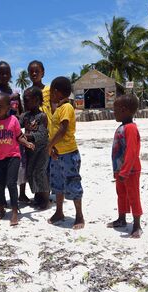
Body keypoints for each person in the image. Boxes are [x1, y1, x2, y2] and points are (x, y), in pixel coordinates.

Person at [0, 93, 35, 226]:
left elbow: (19, 136)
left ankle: (14, 211)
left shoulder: (13, 120)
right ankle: (0, 209)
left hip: (14, 156)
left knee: (11, 183)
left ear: (8, 107)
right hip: (0, 158)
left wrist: (26, 143)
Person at [47, 76, 85, 230]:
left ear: (56, 92)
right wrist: (53, 148)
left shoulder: (67, 108)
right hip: (57, 153)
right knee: (57, 184)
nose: (50, 95)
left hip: (69, 153)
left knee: (73, 182)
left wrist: (49, 146)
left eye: (51, 92)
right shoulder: (58, 108)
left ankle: (79, 215)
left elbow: (62, 130)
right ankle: (59, 212)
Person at [107, 94, 143, 238]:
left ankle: (137, 224)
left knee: (133, 196)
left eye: (115, 110)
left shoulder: (131, 128)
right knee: (121, 194)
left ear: (124, 110)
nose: (113, 113)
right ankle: (121, 218)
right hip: (120, 170)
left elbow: (132, 151)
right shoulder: (121, 127)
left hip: (130, 170)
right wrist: (117, 170)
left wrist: (125, 171)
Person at [28, 60, 56, 203]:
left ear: (43, 73)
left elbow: (54, 109)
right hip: (34, 133)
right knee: (36, 166)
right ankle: (38, 192)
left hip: (48, 131)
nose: (34, 73)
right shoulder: (29, 92)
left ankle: (45, 194)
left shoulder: (49, 90)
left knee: (46, 165)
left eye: (37, 71)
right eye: (31, 71)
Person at [20, 86, 50, 209]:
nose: (25, 102)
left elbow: (42, 134)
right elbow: (17, 126)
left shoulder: (41, 116)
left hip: (41, 150)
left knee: (40, 172)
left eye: (27, 100)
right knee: (31, 173)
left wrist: (27, 136)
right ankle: (38, 195)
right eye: (24, 100)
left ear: (37, 100)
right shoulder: (25, 116)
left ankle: (45, 199)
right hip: (30, 150)